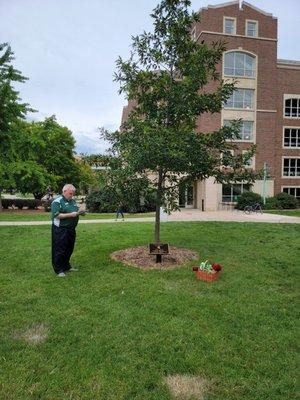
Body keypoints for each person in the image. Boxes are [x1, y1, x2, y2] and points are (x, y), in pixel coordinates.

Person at [51, 184, 84, 277]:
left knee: (69, 248)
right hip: (60, 229)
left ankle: (66, 266)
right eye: (70, 193)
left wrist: (81, 212)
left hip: (71, 229)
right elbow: (56, 215)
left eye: (73, 193)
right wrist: (71, 215)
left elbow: (76, 211)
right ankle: (58, 269)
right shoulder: (57, 201)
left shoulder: (72, 201)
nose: (72, 195)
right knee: (59, 249)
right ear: (64, 191)